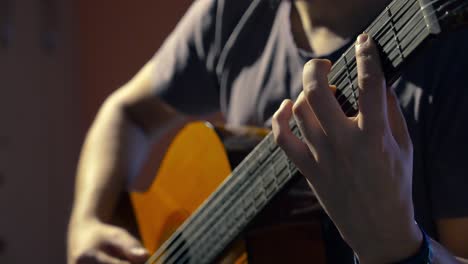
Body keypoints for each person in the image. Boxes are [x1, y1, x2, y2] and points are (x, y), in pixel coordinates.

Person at [67, 0, 468, 263]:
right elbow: (126, 114)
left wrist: (397, 248)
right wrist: (86, 221)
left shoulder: (452, 55)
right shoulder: (234, 12)